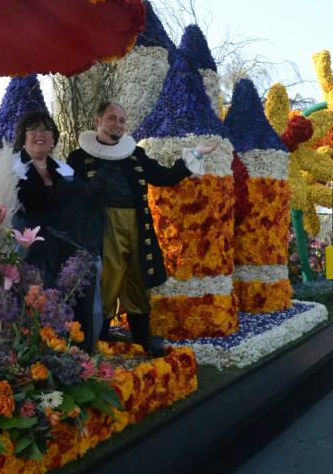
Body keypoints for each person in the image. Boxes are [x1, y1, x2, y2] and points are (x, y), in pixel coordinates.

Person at [67, 101, 220, 356]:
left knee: (139, 282)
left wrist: (195, 154)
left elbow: (164, 177)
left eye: (122, 120)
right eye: (112, 118)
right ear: (98, 121)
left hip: (137, 227)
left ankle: (141, 339)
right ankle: (97, 343)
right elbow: (72, 199)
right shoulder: (78, 157)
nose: (117, 124)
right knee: (105, 285)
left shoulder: (136, 154)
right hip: (102, 229)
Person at [11, 109, 103, 351]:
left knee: (80, 286)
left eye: (46, 129)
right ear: (23, 136)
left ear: (53, 138)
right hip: (27, 248)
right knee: (42, 299)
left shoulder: (65, 171)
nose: (40, 134)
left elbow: (77, 210)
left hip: (64, 245)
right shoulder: (9, 169)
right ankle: (37, 352)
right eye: (33, 129)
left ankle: (73, 352)